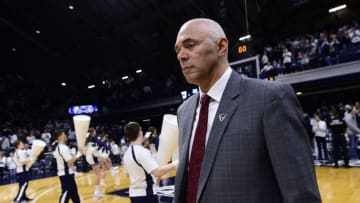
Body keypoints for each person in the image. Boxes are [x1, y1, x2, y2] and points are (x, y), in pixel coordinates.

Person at [174, 18, 321, 203]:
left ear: (221, 47)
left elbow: (301, 195)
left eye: (190, 45)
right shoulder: (184, 111)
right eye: (178, 50)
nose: (181, 56)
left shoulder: (270, 98)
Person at [123, 122, 178, 203]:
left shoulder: (126, 154)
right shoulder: (142, 152)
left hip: (134, 195)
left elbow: (127, 174)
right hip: (146, 195)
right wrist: (176, 162)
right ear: (140, 132)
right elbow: (158, 172)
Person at [53, 130, 83, 203]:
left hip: (69, 173)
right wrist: (79, 154)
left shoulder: (64, 147)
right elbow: (69, 161)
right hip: (65, 174)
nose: (66, 135)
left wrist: (76, 153)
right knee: (66, 194)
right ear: (59, 137)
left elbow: (71, 160)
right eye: (64, 134)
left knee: (74, 195)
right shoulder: (62, 147)